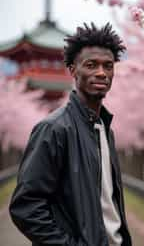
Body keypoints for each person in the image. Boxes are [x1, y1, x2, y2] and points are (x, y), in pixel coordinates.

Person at [9, 23, 132, 246]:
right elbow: (26, 206)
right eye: (91, 65)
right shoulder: (54, 129)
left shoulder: (105, 129)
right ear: (73, 70)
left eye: (108, 66)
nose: (101, 73)